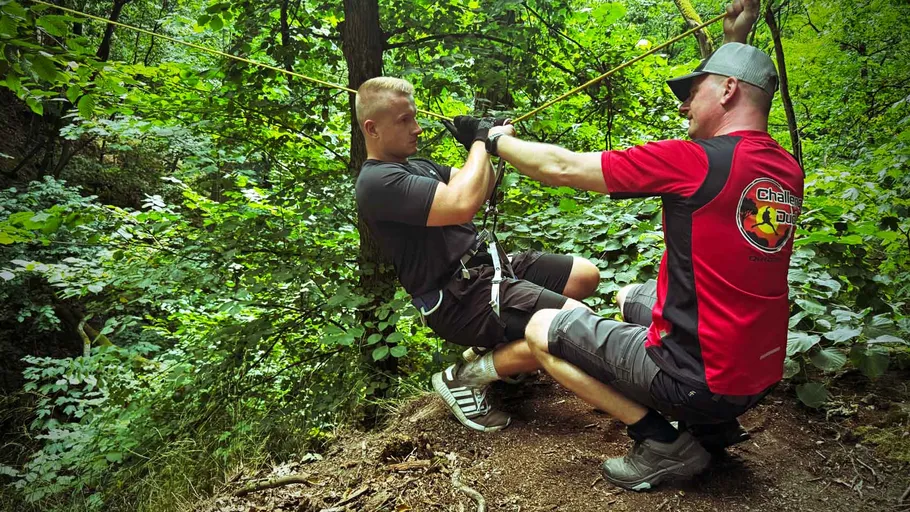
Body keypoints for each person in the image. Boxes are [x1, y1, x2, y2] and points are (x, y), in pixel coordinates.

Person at [478, 0, 804, 490]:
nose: (683, 106)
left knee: (543, 326)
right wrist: (735, 39)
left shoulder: (694, 161)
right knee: (629, 296)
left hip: (698, 380)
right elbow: (740, 114)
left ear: (728, 90)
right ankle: (712, 426)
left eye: (693, 93)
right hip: (756, 374)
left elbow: (561, 167)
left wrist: (493, 139)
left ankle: (662, 442)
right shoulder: (785, 168)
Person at [353, 77, 601, 433]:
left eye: (415, 117)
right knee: (577, 324)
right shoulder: (377, 183)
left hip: (488, 269)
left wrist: (488, 143)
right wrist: (481, 142)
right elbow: (462, 204)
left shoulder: (418, 167)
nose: (417, 128)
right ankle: (466, 377)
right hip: (459, 298)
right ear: (372, 128)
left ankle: (505, 351)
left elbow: (482, 188)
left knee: (584, 275)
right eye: (404, 120)